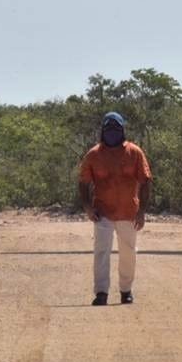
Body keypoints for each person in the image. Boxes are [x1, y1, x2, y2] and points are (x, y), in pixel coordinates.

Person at [77, 111, 152, 306]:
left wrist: (142, 211)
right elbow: (83, 182)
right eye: (108, 129)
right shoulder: (93, 155)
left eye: (116, 129)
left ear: (122, 130)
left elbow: (146, 180)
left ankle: (126, 291)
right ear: (102, 131)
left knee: (128, 252)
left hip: (129, 212)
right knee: (101, 251)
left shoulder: (134, 152)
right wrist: (87, 206)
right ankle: (101, 292)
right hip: (103, 212)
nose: (112, 132)